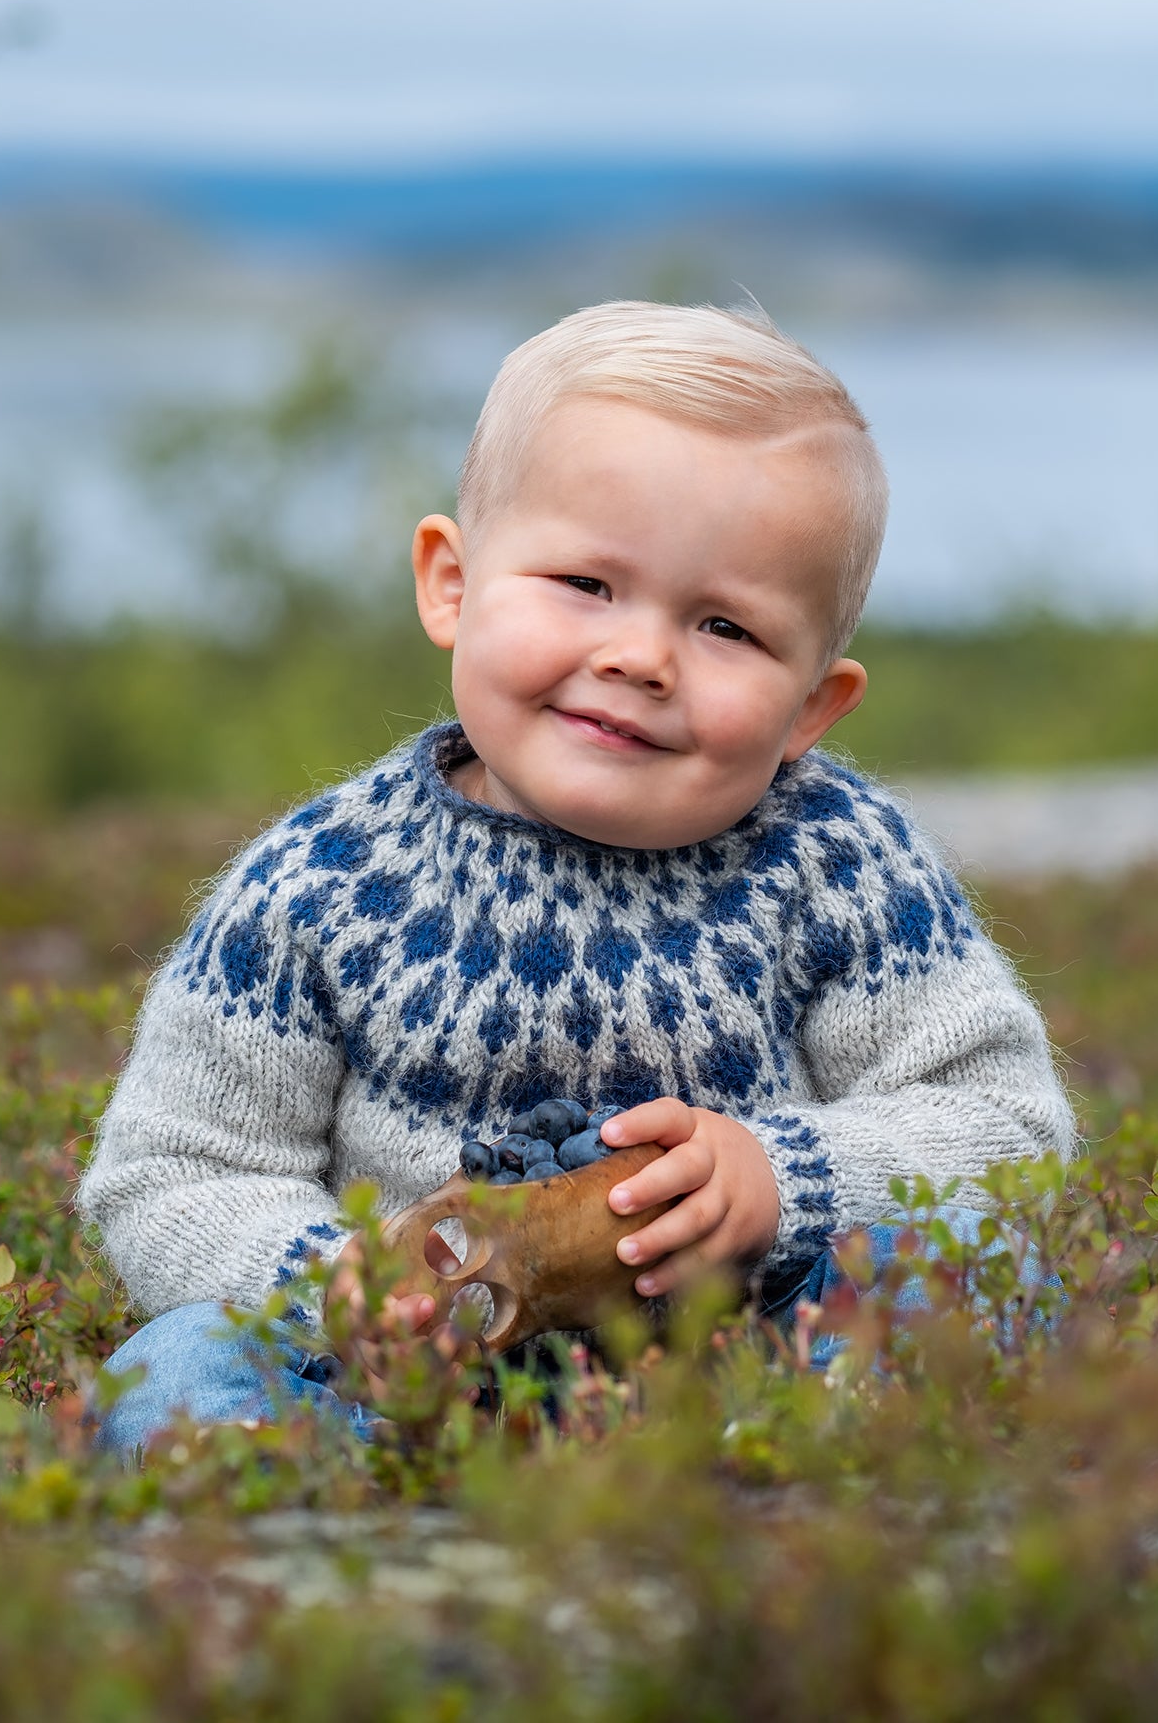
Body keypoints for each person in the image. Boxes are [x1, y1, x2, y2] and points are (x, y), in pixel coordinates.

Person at [79, 301, 1075, 1454]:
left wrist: (782, 1174)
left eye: (724, 628)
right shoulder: (326, 883)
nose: (639, 656)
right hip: (404, 1387)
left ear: (812, 706)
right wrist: (340, 1281)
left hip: (749, 1366)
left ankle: (804, 1500)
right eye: (586, 585)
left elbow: (1004, 1127)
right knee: (179, 1366)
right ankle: (292, 1540)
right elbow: (172, 1172)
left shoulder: (838, 862)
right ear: (451, 584)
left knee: (972, 1258)